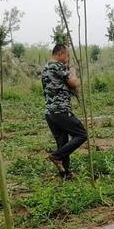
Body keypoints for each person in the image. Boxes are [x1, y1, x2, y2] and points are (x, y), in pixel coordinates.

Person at [41, 44, 87, 180]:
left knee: (63, 143)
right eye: (67, 55)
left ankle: (66, 174)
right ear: (60, 54)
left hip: (50, 114)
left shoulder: (46, 67)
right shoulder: (56, 65)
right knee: (82, 134)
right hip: (60, 111)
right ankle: (56, 156)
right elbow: (73, 83)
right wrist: (73, 70)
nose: (68, 58)